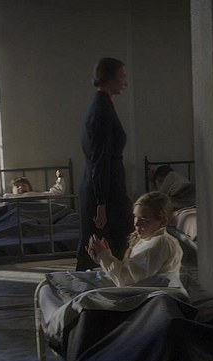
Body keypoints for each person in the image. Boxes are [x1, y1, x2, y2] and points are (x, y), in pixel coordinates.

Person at [76, 57, 134, 271]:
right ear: (109, 77)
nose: (126, 82)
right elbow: (99, 160)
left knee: (110, 247)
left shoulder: (103, 105)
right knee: (107, 247)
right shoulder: (101, 110)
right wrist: (101, 204)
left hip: (105, 189)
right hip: (105, 192)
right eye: (122, 76)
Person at [86, 191, 183, 287]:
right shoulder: (146, 238)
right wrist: (102, 260)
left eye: (144, 219)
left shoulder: (161, 243)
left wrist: (105, 257)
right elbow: (130, 271)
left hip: (149, 292)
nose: (136, 223)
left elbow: (126, 279)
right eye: (135, 216)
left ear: (163, 222)